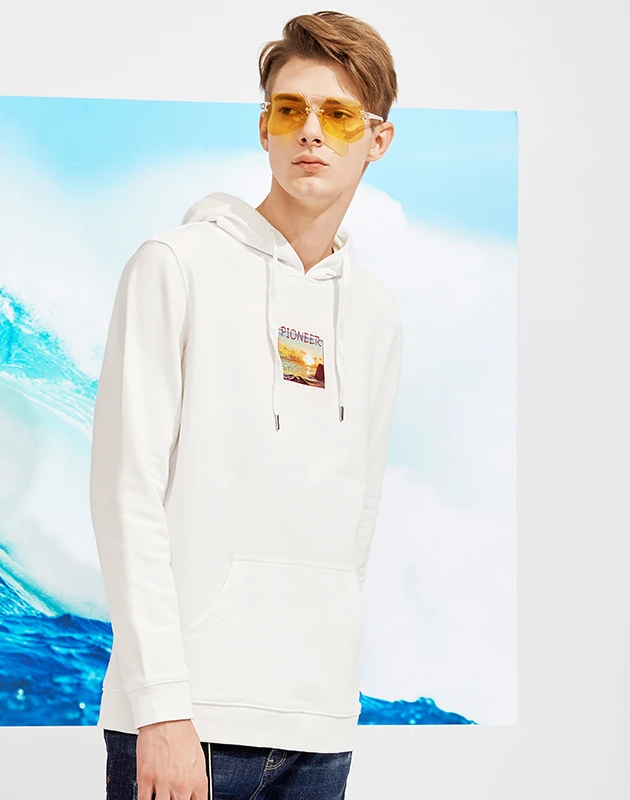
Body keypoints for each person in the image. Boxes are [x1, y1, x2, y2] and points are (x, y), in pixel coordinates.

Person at [89, 10, 403, 799]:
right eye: (290, 110)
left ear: (377, 139)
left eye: (338, 115)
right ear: (265, 128)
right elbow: (126, 494)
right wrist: (161, 707)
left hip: (318, 730)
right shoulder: (175, 266)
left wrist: (332, 686)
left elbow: (359, 512)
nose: (311, 133)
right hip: (189, 722)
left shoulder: (376, 314)